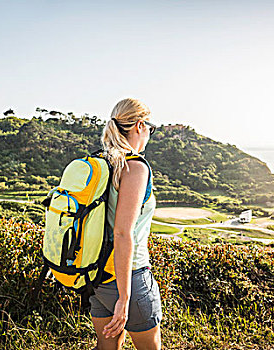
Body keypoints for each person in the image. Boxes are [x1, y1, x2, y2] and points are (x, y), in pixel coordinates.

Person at [89, 98, 162, 350]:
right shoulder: (135, 167)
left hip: (98, 277)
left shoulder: (102, 163)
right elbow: (122, 233)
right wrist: (125, 297)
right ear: (140, 125)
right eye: (150, 128)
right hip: (129, 278)